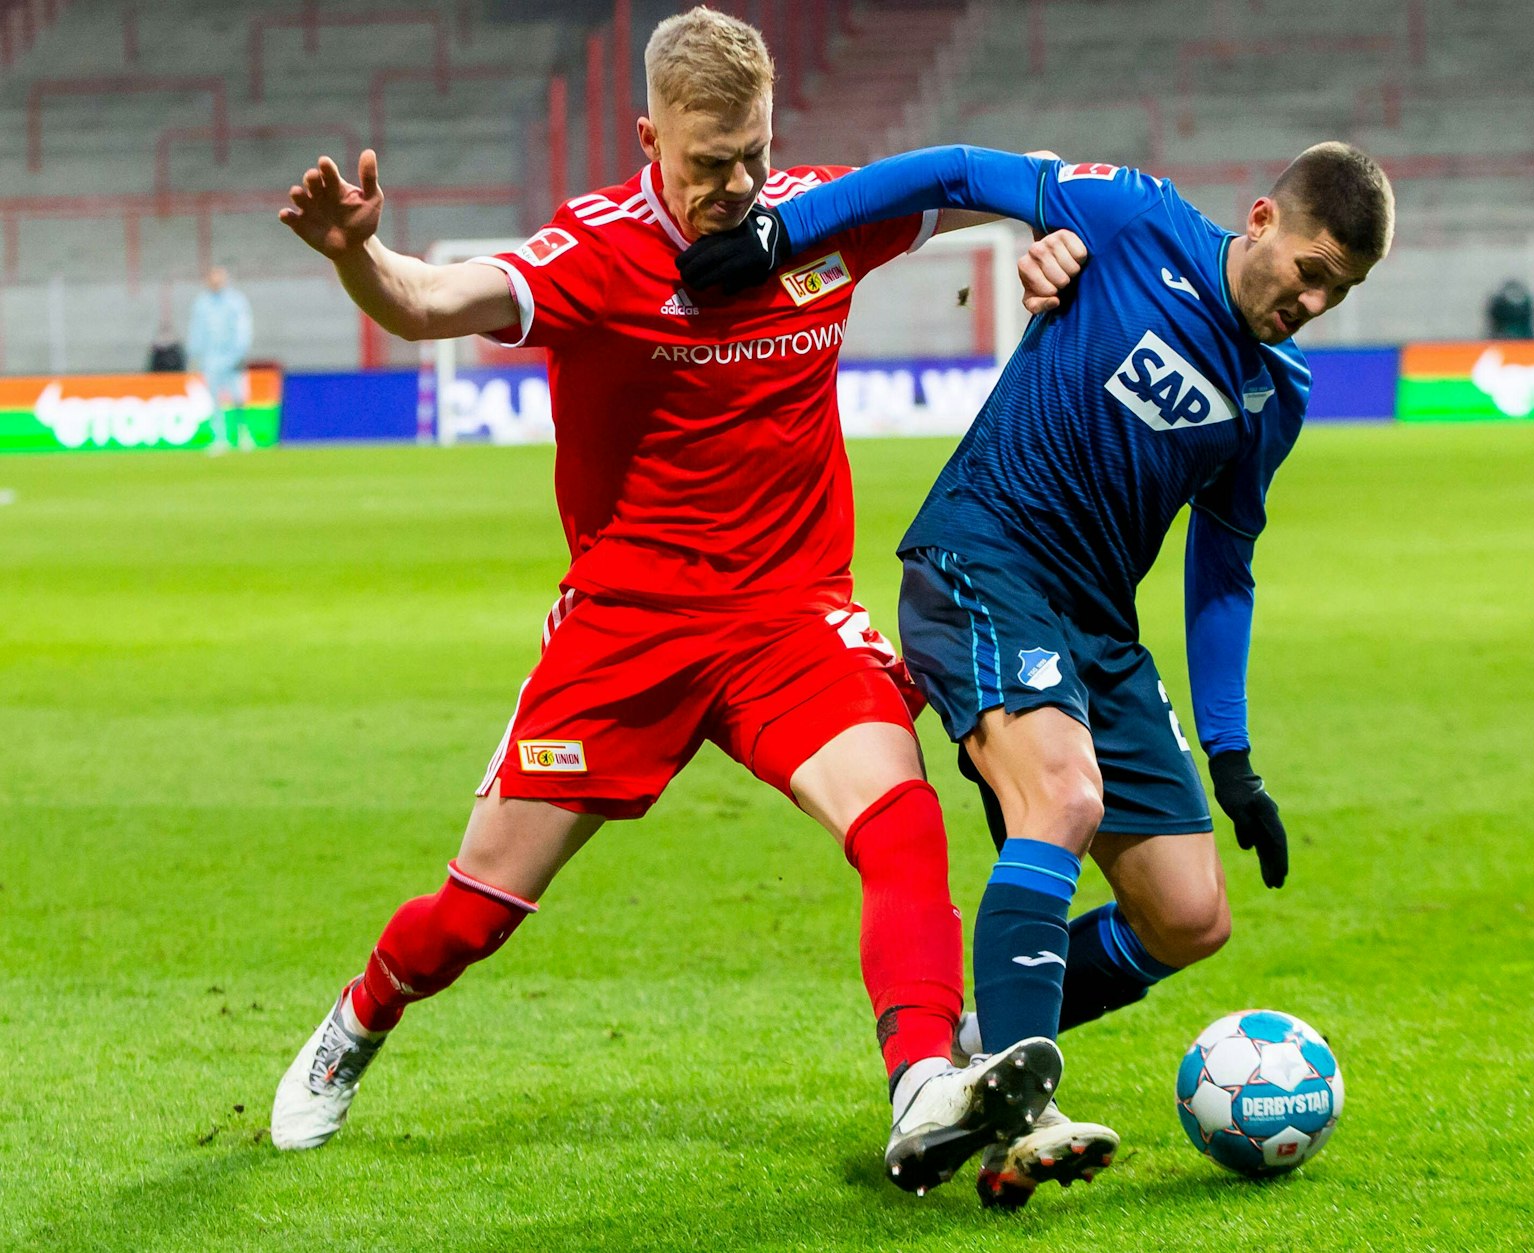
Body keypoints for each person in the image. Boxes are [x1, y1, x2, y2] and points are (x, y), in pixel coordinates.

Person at [268, 7, 1084, 1194]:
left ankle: (920, 1080)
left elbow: (998, 188)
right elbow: (433, 301)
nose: (739, 185)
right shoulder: (595, 252)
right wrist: (354, 256)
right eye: (709, 162)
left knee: (899, 818)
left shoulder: (814, 219)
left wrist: (1053, 243)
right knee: (475, 912)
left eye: (754, 153)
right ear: (648, 136)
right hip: (625, 626)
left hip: (788, 615)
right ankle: (358, 1018)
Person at [680, 140, 1393, 1206]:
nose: (1313, 298)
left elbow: (1222, 571)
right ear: (1259, 220)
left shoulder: (1271, 393)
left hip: (1098, 625)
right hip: (985, 556)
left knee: (1187, 915)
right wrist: (783, 233)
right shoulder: (1133, 219)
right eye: (1308, 268)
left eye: (1337, 289)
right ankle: (1022, 1111)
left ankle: (984, 1038)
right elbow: (958, 171)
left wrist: (1233, 756)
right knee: (1061, 795)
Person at [186, 265, 254, 450]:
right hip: (211, 358)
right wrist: (193, 355)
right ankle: (220, 438)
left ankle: (243, 434)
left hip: (233, 357)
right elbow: (196, 330)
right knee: (215, 399)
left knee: (239, 397)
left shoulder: (235, 301)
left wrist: (241, 352)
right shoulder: (202, 303)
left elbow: (243, 329)